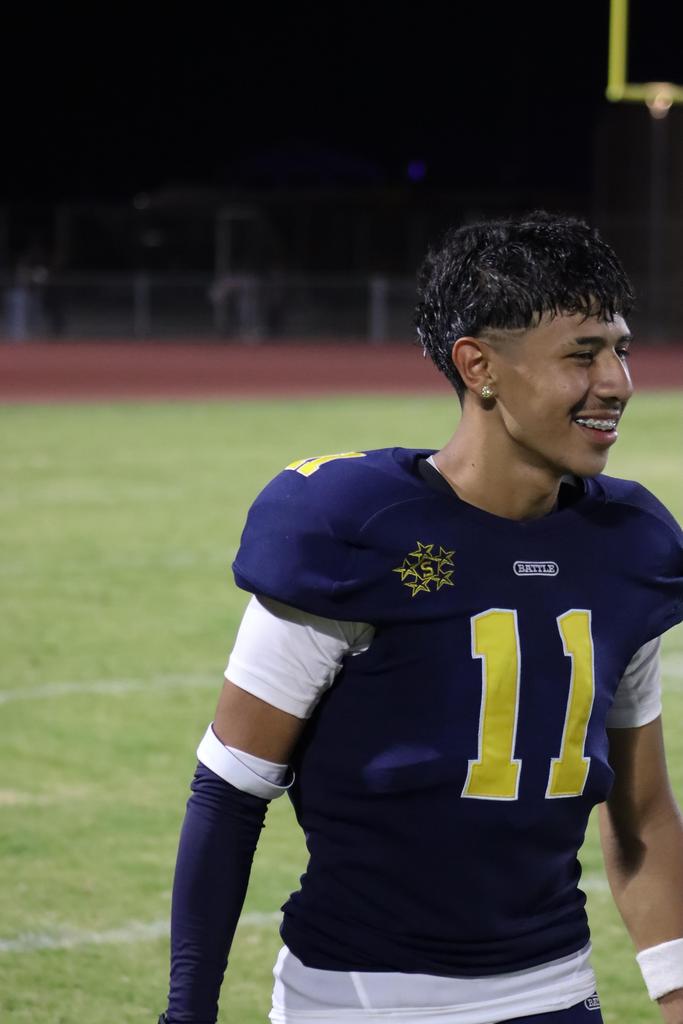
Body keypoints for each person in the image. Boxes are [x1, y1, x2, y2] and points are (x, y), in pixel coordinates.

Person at [158, 211, 683, 1024]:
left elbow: (642, 816)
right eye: (581, 355)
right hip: (353, 1001)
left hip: (554, 994)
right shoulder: (351, 527)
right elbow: (230, 790)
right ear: (479, 366)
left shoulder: (626, 546)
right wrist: (186, 1013)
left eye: (620, 349)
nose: (616, 382)